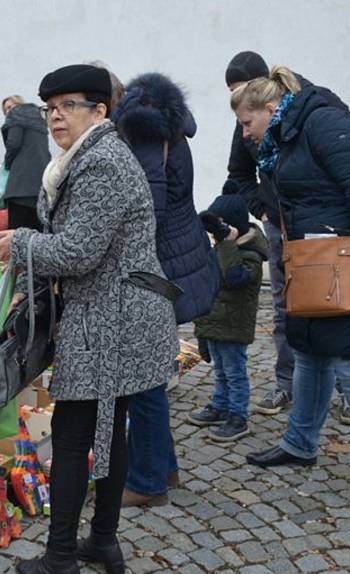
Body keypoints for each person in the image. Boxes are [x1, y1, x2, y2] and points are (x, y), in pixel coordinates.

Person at [0, 64, 177, 574]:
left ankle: (60, 560)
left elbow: (77, 252)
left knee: (74, 438)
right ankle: (102, 540)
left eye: (68, 105)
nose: (55, 116)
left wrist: (20, 243)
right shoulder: (91, 156)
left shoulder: (101, 163)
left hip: (111, 319)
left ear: (99, 111)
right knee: (108, 428)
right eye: (49, 107)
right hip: (117, 311)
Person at [232, 66, 350, 510]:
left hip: (347, 265)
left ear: (271, 109)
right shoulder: (286, 135)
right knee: (308, 354)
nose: (246, 136)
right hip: (309, 263)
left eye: (248, 124)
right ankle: (300, 443)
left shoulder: (325, 123)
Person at [224, 51, 350, 425]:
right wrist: (263, 210)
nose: (240, 109)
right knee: (287, 309)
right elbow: (238, 173)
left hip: (324, 230)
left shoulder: (316, 105)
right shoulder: (246, 124)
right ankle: (287, 384)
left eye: (243, 92)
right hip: (280, 225)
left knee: (340, 305)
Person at [112, 72, 220, 507]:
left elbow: (147, 205)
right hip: (177, 256)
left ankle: (147, 481)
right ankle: (165, 467)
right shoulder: (169, 125)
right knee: (151, 371)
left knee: (143, 378)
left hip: (155, 265)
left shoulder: (144, 129)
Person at [188, 182, 268, 441]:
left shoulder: (251, 257)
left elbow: (234, 278)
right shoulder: (220, 249)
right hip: (216, 324)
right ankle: (220, 406)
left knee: (235, 373)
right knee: (220, 370)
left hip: (234, 327)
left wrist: (228, 244)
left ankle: (238, 416)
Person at [0, 95, 51, 230]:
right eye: (6, 110)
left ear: (19, 104)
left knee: (16, 235)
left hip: (20, 187)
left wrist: (7, 165)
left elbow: (13, 144)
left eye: (10, 107)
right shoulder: (39, 120)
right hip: (40, 186)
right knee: (36, 234)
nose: (8, 112)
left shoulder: (16, 115)